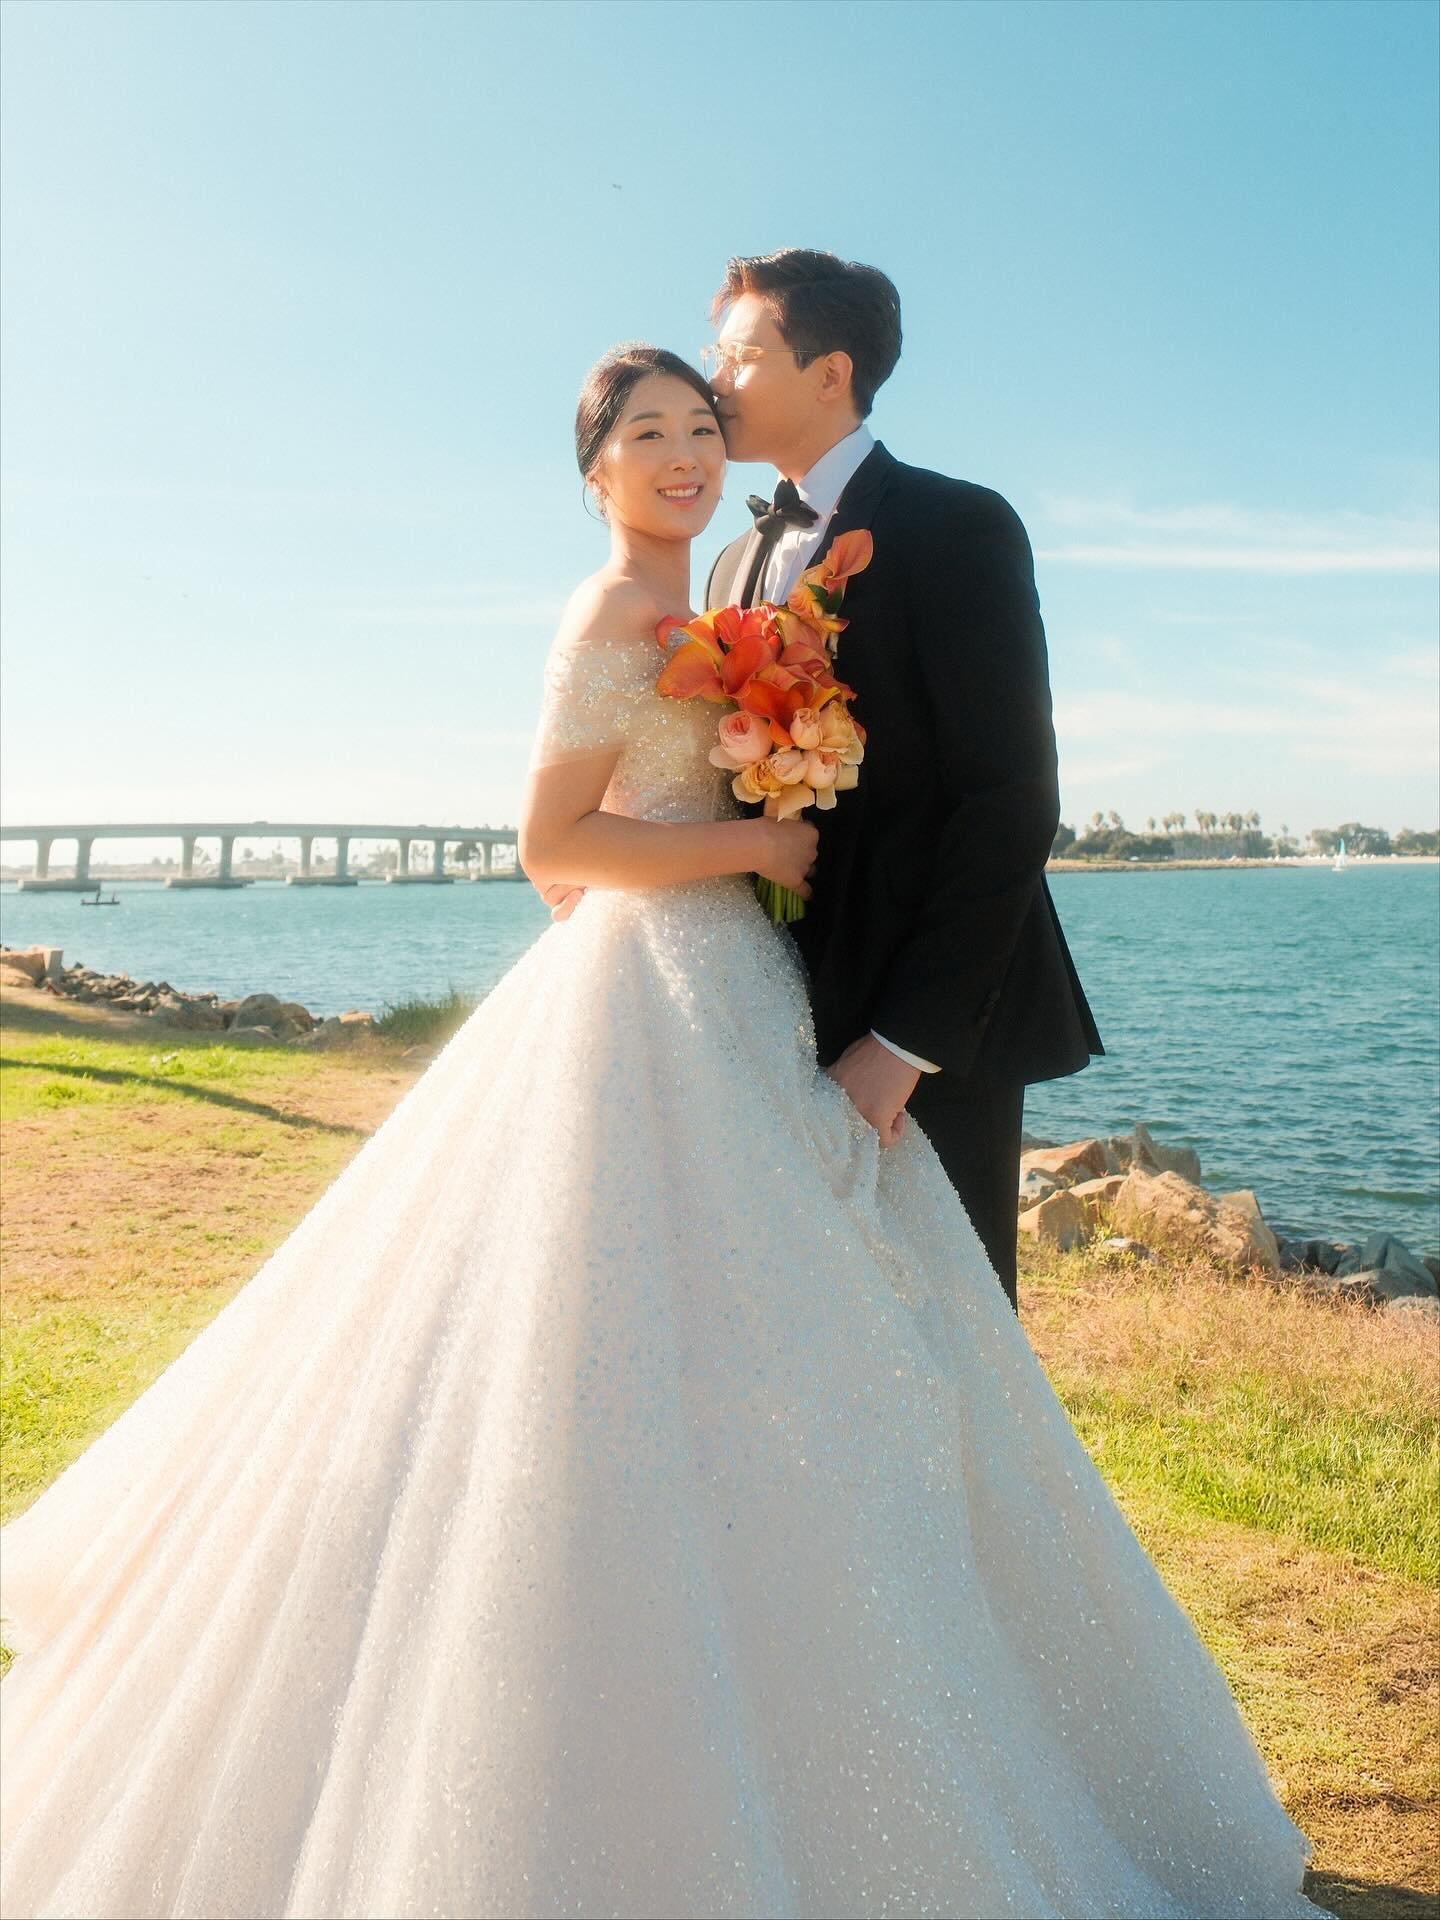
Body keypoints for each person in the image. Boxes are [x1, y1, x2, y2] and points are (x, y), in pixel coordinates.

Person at [0, 346, 1328, 1920]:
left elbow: (611, 842)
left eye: (703, 425)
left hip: (740, 996)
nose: (687, 453)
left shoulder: (720, 610)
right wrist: (762, 830)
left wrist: (747, 823)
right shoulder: (615, 615)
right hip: (654, 1004)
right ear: (594, 472)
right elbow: (551, 840)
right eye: (649, 434)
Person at [547, 251, 1103, 1311]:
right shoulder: (727, 562)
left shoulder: (958, 526)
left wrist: (902, 1047)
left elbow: (1011, 801)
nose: (716, 383)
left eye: (740, 356)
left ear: (829, 372)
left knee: (949, 1326)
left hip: (931, 1013)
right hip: (761, 998)